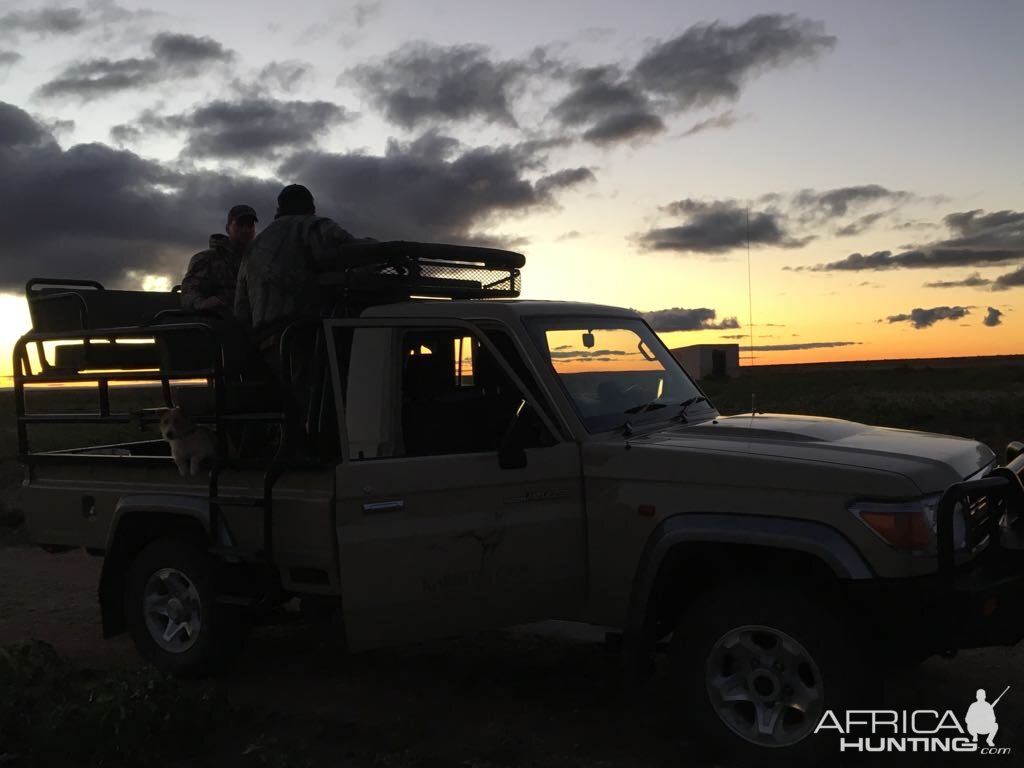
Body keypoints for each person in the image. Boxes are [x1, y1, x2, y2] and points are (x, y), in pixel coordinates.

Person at [180, 204, 259, 313]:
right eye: (240, 224)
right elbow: (189, 292)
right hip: (219, 323)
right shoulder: (206, 259)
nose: (245, 229)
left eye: (250, 225)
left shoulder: (260, 260)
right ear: (228, 228)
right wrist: (202, 303)